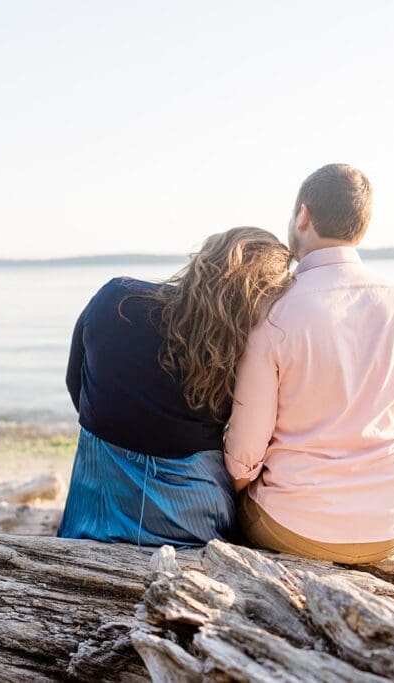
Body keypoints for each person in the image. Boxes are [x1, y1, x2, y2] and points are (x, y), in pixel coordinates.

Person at [225, 164, 394, 564]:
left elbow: (244, 456)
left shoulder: (274, 311)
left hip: (295, 526)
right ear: (362, 224)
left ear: (303, 215)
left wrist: (233, 487)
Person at [59, 227, 292, 547]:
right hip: (193, 519)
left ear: (204, 258)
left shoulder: (116, 298)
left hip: (98, 503)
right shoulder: (240, 350)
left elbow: (77, 383)